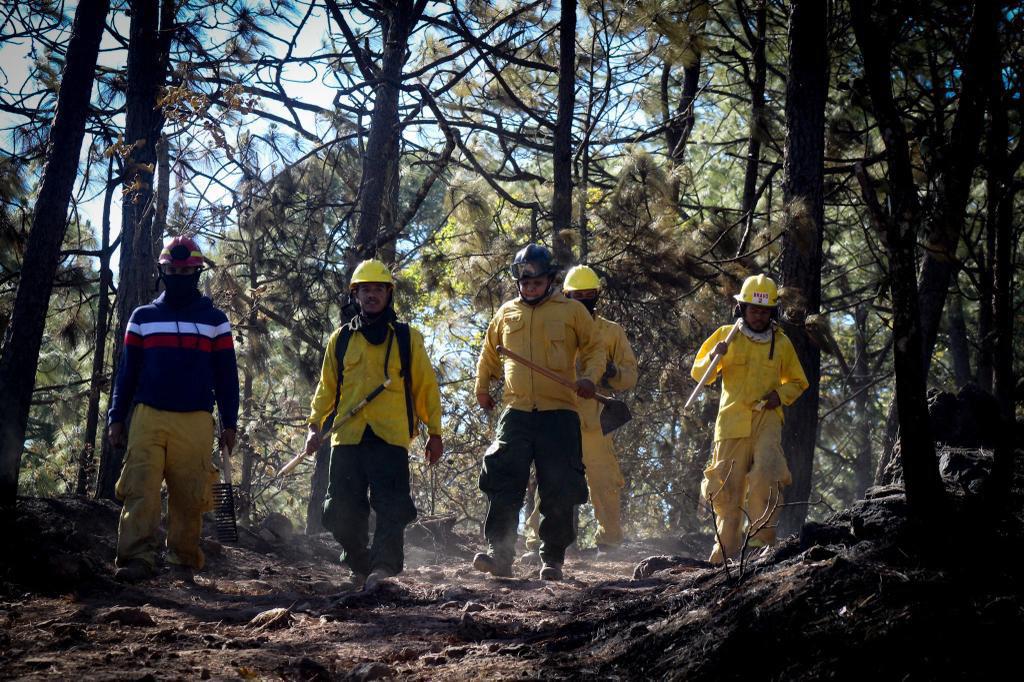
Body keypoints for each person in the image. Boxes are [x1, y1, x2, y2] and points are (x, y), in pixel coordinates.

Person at [304, 259, 443, 589]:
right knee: (338, 510)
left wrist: (434, 432)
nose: (371, 295)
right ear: (355, 295)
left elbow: (425, 387)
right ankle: (358, 562)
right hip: (347, 438)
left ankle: (383, 567)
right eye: (364, 290)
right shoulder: (340, 340)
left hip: (390, 437)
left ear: (389, 294)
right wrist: (313, 426)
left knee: (391, 507)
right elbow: (326, 388)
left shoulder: (408, 339)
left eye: (378, 289)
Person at [108, 235, 239, 582]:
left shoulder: (216, 320)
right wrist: (116, 418)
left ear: (196, 273)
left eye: (185, 270)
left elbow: (227, 376)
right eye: (172, 269)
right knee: (141, 488)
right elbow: (127, 373)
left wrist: (230, 423)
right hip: (147, 416)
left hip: (195, 419)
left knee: (190, 494)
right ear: (162, 272)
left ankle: (183, 560)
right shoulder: (142, 317)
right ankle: (137, 558)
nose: (178, 275)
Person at [474, 244, 604, 581]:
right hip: (516, 412)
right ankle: (499, 555)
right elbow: (489, 355)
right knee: (503, 481)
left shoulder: (572, 312)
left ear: (550, 279)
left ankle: (553, 560)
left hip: (559, 413)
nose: (529, 286)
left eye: (536, 280)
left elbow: (594, 349)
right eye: (524, 280)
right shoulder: (505, 314)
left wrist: (589, 377)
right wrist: (483, 388)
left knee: (559, 487)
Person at [521, 265, 638, 561]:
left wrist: (610, 373)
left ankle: (609, 543)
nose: (584, 301)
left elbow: (629, 375)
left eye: (589, 295)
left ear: (597, 296)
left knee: (605, 481)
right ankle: (538, 543)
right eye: (577, 296)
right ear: (567, 295)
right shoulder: (554, 325)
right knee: (551, 481)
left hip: (595, 420)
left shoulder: (611, 332)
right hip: (559, 414)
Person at [690, 274, 808, 564]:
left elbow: (797, 381)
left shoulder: (781, 343)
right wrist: (714, 358)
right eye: (754, 310)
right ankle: (724, 555)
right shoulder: (725, 336)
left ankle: (760, 546)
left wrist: (779, 396)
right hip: (731, 421)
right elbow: (699, 374)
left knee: (767, 472)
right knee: (726, 488)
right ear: (742, 308)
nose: (759, 315)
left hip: (767, 418)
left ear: (772, 312)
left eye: (765, 310)